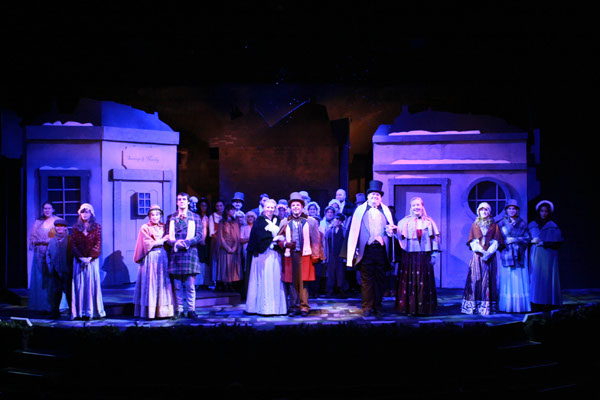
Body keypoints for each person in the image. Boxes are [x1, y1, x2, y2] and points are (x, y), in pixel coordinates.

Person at [346, 180, 395, 317]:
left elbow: (392, 230)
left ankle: (377, 306)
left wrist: (391, 232)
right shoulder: (360, 211)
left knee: (380, 279)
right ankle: (367, 306)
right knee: (367, 280)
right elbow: (353, 231)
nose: (375, 197)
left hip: (381, 250)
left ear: (381, 198)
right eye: (372, 195)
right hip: (366, 250)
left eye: (377, 195)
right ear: (368, 197)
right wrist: (355, 249)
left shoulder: (386, 211)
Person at [279, 192, 324, 317]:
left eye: (298, 205)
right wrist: (285, 244)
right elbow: (279, 238)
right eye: (293, 205)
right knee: (292, 281)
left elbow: (316, 239)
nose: (295, 207)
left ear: (302, 206)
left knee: (304, 281)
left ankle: (304, 306)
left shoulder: (310, 221)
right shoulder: (285, 221)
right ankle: (293, 307)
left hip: (305, 255)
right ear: (290, 207)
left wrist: (316, 255)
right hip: (290, 255)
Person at [393, 197, 440, 315]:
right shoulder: (404, 221)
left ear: (422, 206)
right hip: (409, 256)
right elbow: (400, 237)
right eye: (413, 205)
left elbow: (435, 239)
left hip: (424, 255)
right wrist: (394, 232)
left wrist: (434, 254)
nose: (416, 207)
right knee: (409, 280)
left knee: (424, 280)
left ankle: (424, 308)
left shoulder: (429, 221)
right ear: (411, 207)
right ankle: (408, 308)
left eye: (418, 205)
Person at [245, 199, 287, 316]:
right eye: (268, 207)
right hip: (263, 254)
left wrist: (280, 240)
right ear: (264, 208)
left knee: (275, 278)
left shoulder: (278, 220)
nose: (270, 210)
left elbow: (283, 233)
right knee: (265, 279)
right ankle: (264, 308)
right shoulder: (259, 221)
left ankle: (276, 308)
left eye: (272, 207)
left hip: (275, 254)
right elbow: (258, 237)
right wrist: (272, 239)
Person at [460, 202, 504, 315]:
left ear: (489, 212)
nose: (484, 212)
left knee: (489, 279)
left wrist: (489, 252)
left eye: (486, 210)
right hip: (478, 256)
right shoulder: (475, 225)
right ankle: (474, 305)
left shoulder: (494, 226)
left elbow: (496, 241)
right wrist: (481, 251)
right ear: (478, 211)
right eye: (482, 210)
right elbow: (472, 241)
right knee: (476, 279)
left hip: (490, 256)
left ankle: (487, 306)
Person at [132, 205, 174, 320]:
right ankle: (150, 312)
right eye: (153, 215)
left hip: (162, 255)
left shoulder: (164, 226)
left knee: (162, 281)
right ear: (149, 216)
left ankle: (163, 312)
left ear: (160, 216)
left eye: (157, 215)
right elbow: (147, 243)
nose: (155, 217)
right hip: (150, 256)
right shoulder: (145, 227)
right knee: (151, 281)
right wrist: (162, 240)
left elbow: (170, 239)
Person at [165, 193, 203, 319]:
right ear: (177, 202)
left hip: (189, 253)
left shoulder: (195, 217)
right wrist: (175, 243)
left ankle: (191, 310)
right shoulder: (171, 217)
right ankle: (179, 310)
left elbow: (199, 235)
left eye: (184, 199)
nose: (181, 201)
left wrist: (187, 242)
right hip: (176, 254)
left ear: (188, 202)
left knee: (190, 285)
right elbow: (167, 236)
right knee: (177, 285)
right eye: (179, 199)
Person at [70, 203, 105, 320]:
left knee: (91, 284)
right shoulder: (76, 227)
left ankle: (91, 311)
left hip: (91, 260)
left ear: (91, 214)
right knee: (80, 285)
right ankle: (80, 312)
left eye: (87, 212)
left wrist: (89, 258)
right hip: (79, 260)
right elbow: (73, 244)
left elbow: (98, 243)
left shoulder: (97, 227)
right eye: (82, 212)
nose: (85, 214)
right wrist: (81, 258)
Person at [497, 200, 531, 313]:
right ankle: (507, 306)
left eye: (514, 208)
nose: (512, 210)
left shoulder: (522, 223)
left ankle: (518, 306)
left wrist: (515, 239)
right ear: (506, 210)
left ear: (517, 210)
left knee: (518, 280)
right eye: (509, 208)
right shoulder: (501, 223)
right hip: (506, 255)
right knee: (507, 280)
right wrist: (505, 243)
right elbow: (497, 240)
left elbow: (527, 238)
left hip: (518, 255)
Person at [528, 200, 563, 310]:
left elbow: (558, 242)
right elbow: (526, 238)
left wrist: (544, 243)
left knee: (547, 278)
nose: (544, 213)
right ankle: (535, 301)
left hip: (548, 255)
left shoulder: (553, 226)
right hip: (535, 255)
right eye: (542, 211)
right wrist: (531, 241)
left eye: (546, 211)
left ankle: (548, 302)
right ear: (538, 212)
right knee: (535, 278)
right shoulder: (532, 225)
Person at [28, 201, 59, 313]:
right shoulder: (38, 222)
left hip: (52, 253)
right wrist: (40, 241)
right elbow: (32, 238)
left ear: (53, 209)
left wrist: (47, 242)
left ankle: (53, 305)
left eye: (49, 208)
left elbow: (59, 237)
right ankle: (41, 305)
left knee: (51, 278)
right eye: (45, 208)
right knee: (40, 277)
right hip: (39, 253)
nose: (47, 210)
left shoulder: (57, 221)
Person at [45, 218, 72, 319]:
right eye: (57, 226)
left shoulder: (70, 240)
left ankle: (72, 312)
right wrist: (50, 266)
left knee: (69, 291)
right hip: (55, 270)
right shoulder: (52, 240)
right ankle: (55, 312)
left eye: (62, 226)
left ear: (65, 228)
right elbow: (48, 254)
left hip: (67, 270)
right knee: (56, 291)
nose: (59, 228)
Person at [215, 204, 242, 292]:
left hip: (233, 247)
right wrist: (227, 247)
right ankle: (225, 284)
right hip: (224, 248)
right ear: (227, 211)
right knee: (224, 265)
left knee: (232, 266)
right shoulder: (222, 222)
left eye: (233, 210)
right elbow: (220, 236)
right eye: (231, 210)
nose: (233, 212)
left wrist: (234, 247)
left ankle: (231, 284)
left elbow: (237, 236)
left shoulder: (235, 222)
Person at [324, 213, 348, 298]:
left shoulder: (344, 231)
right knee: (331, 272)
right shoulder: (330, 230)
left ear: (341, 222)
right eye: (336, 219)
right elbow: (325, 241)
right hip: (332, 254)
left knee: (340, 273)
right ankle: (330, 290)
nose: (336, 221)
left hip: (341, 255)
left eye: (339, 220)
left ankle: (341, 289)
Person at [239, 211, 256, 301]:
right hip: (246, 250)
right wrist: (251, 239)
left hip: (255, 250)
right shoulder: (243, 227)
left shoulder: (256, 227)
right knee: (247, 269)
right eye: (248, 216)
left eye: (252, 216)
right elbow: (241, 239)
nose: (250, 218)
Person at [196, 197, 212, 290]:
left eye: (205, 206)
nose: (203, 207)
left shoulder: (209, 216)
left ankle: (206, 282)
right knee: (199, 261)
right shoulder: (196, 216)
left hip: (208, 242)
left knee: (206, 261)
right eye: (202, 205)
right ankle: (198, 282)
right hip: (198, 241)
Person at [208, 199, 225, 289]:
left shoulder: (226, 216)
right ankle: (216, 281)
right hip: (216, 240)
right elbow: (211, 232)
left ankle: (224, 281)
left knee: (224, 260)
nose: (219, 208)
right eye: (217, 206)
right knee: (216, 261)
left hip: (226, 241)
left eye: (221, 206)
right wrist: (219, 239)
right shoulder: (212, 216)